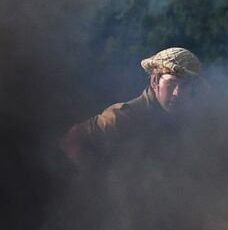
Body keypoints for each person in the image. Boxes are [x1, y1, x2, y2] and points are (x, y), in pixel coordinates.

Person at [60, 47, 204, 173]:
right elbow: (73, 139)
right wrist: (99, 185)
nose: (177, 93)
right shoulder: (125, 115)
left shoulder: (187, 121)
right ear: (155, 81)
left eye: (185, 86)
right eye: (171, 83)